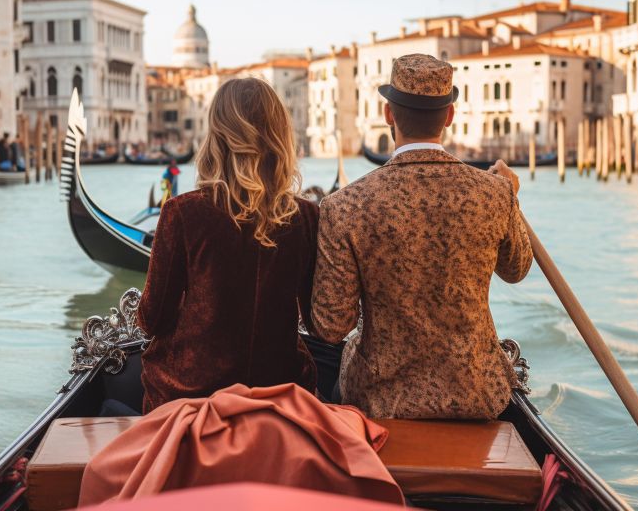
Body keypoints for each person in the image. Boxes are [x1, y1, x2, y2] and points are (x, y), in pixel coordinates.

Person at [310, 53, 533, 420]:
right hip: (478, 394)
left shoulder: (343, 206)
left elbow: (332, 326)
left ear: (388, 114)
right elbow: (517, 269)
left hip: (381, 400)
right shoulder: (494, 194)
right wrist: (511, 198)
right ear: (449, 116)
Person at [137, 77, 318, 413]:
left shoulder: (182, 212)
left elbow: (153, 319)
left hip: (193, 394)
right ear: (279, 135)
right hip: (281, 389)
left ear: (216, 136)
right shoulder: (306, 216)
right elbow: (315, 319)